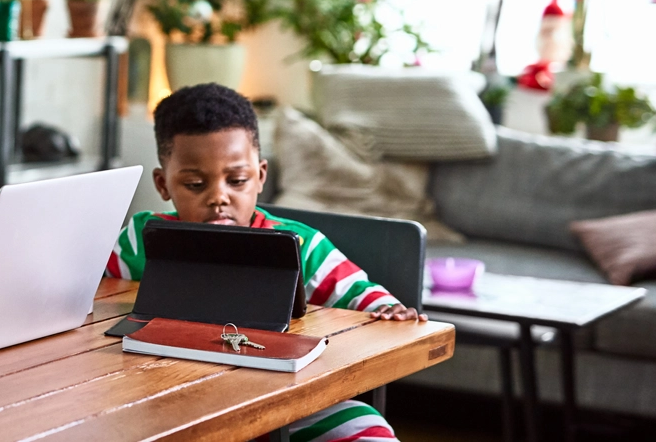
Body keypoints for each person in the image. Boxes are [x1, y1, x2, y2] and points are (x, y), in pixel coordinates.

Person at [108, 83, 425, 442]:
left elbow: (360, 295)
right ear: (163, 185)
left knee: (365, 428)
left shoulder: (300, 244)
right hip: (170, 402)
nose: (218, 197)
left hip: (288, 404)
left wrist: (389, 308)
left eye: (237, 180)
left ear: (260, 176)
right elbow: (94, 296)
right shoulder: (139, 238)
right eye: (196, 184)